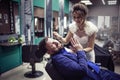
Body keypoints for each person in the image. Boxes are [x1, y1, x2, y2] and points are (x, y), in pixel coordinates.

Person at [36, 37, 120, 80]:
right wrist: (80, 51)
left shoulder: (62, 51)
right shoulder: (59, 59)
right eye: (52, 44)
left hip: (96, 71)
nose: (56, 42)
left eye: (54, 40)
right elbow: (81, 70)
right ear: (49, 52)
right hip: (95, 77)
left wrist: (75, 53)